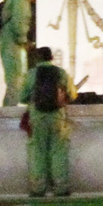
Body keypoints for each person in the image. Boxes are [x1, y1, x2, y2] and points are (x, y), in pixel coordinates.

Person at [25, 45, 74, 197]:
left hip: (38, 117)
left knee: (38, 151)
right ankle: (60, 188)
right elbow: (72, 94)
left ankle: (38, 189)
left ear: (37, 59)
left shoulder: (31, 74)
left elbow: (22, 96)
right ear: (52, 58)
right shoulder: (61, 73)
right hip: (57, 117)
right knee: (58, 151)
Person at [0, 0, 45, 107]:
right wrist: (24, 41)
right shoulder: (21, 1)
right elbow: (19, 23)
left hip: (8, 40)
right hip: (13, 43)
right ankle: (9, 110)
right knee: (16, 78)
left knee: (14, 78)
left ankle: (9, 106)